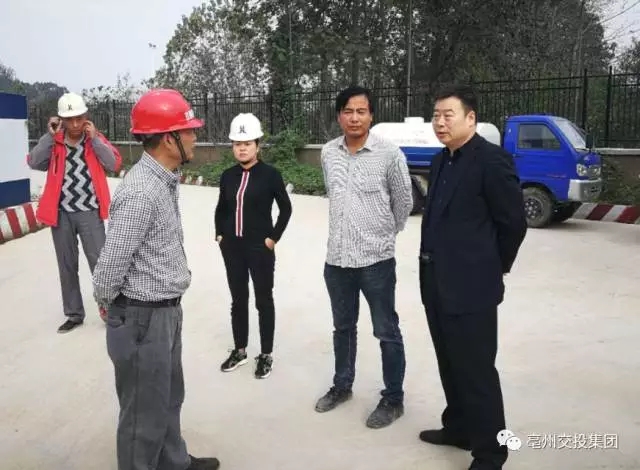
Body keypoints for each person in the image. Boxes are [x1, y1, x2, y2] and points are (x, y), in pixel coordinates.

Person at [92, 89, 220, 470]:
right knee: (141, 416)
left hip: (164, 312)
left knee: (167, 397)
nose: (195, 136)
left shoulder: (164, 179)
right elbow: (109, 268)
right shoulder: (141, 192)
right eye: (190, 130)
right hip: (142, 317)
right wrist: (114, 310)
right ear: (169, 139)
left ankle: (173, 462)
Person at [417, 84, 528, 470]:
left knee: (477, 371)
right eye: (435, 116)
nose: (440, 122)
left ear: (471, 118)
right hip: (435, 280)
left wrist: (492, 267)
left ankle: (491, 453)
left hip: (472, 288)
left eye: (448, 115)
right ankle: (459, 428)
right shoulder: (439, 161)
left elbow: (513, 223)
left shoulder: (492, 160)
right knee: (449, 362)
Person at [314, 85, 413, 429]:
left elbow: (404, 202)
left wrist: (383, 235)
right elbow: (334, 193)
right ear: (339, 116)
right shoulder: (328, 153)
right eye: (348, 111)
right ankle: (342, 386)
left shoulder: (389, 154)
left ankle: (393, 399)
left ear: (371, 115)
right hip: (337, 261)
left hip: (376, 262)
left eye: (361, 111)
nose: (354, 118)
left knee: (386, 331)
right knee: (343, 328)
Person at [27, 92, 122, 333]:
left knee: (100, 264)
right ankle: (74, 314)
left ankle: (109, 309)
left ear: (86, 117)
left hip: (90, 212)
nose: (76, 124)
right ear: (61, 120)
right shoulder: (55, 142)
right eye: (70, 120)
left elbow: (114, 164)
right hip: (61, 214)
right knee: (67, 265)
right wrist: (49, 137)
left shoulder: (94, 140)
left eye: (80, 118)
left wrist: (96, 140)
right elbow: (34, 162)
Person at [215, 112, 292, 379]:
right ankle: (240, 350)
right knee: (238, 300)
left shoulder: (270, 175)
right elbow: (221, 208)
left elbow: (286, 209)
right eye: (237, 143)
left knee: (263, 300)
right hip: (232, 249)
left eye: (247, 143)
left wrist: (273, 238)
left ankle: (266, 354)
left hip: (260, 248)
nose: (242, 148)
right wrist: (220, 235)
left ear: (257, 145)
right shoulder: (228, 176)